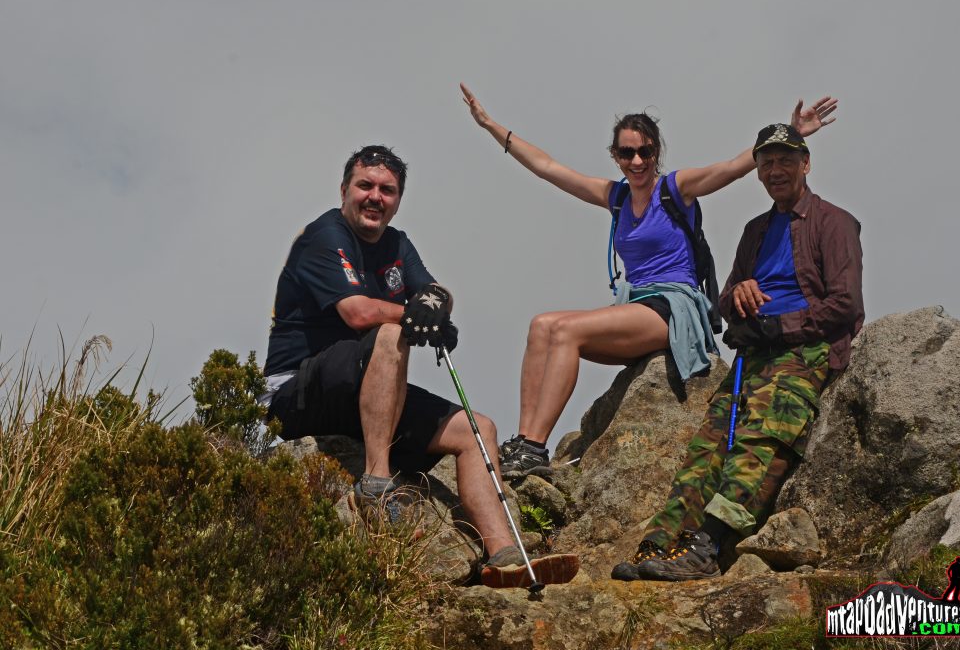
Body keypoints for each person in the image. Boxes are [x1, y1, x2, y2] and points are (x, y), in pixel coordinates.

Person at [460, 84, 838, 479]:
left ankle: (536, 447)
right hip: (635, 304)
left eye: (645, 151)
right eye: (627, 153)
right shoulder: (616, 197)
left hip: (673, 306)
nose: (637, 160)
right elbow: (548, 167)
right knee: (541, 326)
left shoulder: (676, 189)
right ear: (615, 156)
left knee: (566, 330)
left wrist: (790, 131)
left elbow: (729, 167)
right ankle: (524, 442)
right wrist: (490, 125)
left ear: (657, 151)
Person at [260, 145, 576, 587]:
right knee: (391, 334)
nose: (375, 197)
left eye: (387, 190)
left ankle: (503, 555)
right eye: (365, 186)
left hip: (361, 392)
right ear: (344, 189)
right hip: (298, 390)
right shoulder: (324, 235)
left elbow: (432, 288)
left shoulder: (397, 244)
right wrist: (412, 316)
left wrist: (437, 307)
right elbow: (357, 313)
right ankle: (375, 482)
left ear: (398, 199)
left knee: (478, 429)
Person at [611, 123, 864, 581]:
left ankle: (706, 548)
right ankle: (661, 545)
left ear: (806, 164)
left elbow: (845, 304)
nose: (775, 170)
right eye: (767, 162)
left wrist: (781, 325)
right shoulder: (756, 231)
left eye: (786, 160)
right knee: (707, 446)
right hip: (752, 355)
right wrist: (742, 292)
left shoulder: (835, 222)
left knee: (758, 440)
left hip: (803, 353)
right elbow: (725, 299)